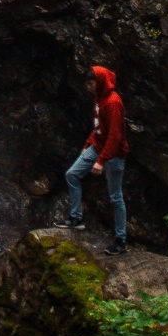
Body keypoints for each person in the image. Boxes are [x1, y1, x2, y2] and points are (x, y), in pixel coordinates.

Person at [65, 64, 129, 252]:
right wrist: (88, 144)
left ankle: (121, 240)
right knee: (72, 174)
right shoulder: (99, 99)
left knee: (115, 197)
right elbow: (98, 127)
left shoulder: (113, 102)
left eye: (91, 82)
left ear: (100, 81)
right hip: (98, 145)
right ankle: (76, 217)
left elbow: (115, 137)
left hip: (114, 153)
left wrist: (101, 161)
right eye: (87, 83)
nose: (88, 86)